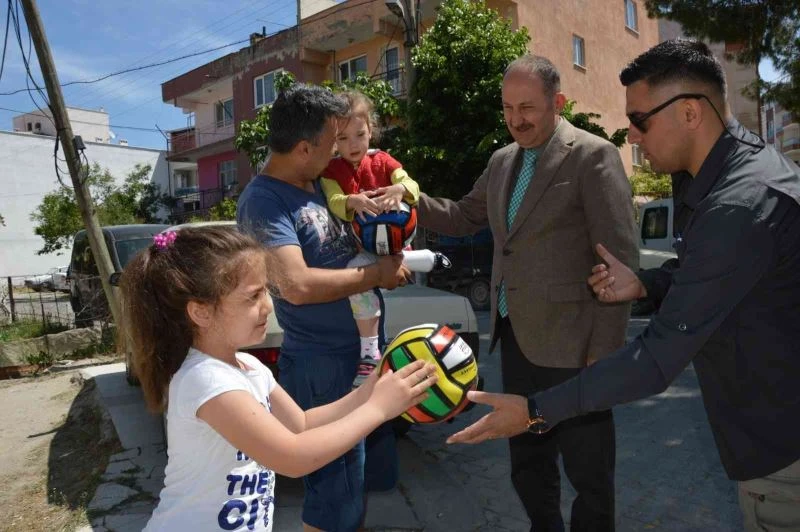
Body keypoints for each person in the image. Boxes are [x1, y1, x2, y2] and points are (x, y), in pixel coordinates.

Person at [446, 40, 800, 532]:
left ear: (691, 113)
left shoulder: (736, 203)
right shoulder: (738, 171)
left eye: (641, 120)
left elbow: (657, 359)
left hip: (783, 457)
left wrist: (532, 412)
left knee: (589, 474)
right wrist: (647, 285)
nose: (631, 134)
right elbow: (720, 272)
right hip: (776, 438)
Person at [418, 54, 638, 531]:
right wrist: (408, 198)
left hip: (576, 346)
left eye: (528, 107)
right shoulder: (501, 161)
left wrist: (605, 353)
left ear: (557, 102)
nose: (516, 119)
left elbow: (619, 258)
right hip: (516, 338)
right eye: (507, 107)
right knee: (529, 468)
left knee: (589, 474)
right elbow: (462, 216)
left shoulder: (592, 154)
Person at [118, 226, 437, 532]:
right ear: (201, 312)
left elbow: (303, 423)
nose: (268, 305)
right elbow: (293, 457)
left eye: (266, 291)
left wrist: (371, 389)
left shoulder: (247, 366)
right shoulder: (204, 380)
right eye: (253, 296)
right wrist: (377, 410)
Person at [236, 84, 412, 532]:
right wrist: (377, 275)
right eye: (333, 141)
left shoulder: (318, 183)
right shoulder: (265, 200)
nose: (339, 150)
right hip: (320, 367)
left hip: (363, 354)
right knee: (332, 499)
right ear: (303, 147)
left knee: (361, 489)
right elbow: (295, 285)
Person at [320, 90, 421, 388]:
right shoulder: (330, 171)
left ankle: (422, 260)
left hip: (395, 244)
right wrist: (351, 201)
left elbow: (411, 184)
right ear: (333, 142)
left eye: (359, 134)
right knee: (358, 281)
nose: (352, 144)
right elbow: (334, 199)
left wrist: (399, 190)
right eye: (343, 138)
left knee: (397, 264)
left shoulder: (384, 161)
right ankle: (370, 352)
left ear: (371, 131)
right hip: (364, 249)